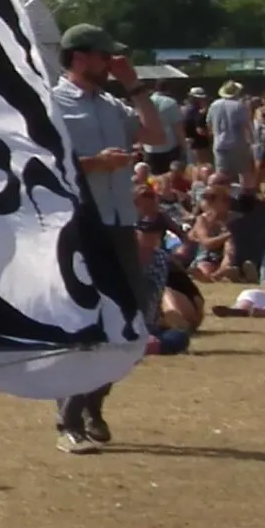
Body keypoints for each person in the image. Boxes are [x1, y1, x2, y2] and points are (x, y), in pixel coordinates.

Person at [49, 25, 166, 453]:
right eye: (103, 57)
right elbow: (42, 161)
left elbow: (156, 134)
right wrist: (92, 164)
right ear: (80, 57)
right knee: (86, 323)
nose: (110, 65)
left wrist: (133, 85)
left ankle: (93, 403)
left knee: (129, 324)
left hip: (119, 223)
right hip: (82, 224)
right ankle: (69, 419)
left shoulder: (110, 104)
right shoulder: (53, 103)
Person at [210, 82, 255, 195]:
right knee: (244, 172)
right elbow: (246, 126)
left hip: (219, 144)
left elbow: (209, 124)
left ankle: (222, 197)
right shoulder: (239, 106)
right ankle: (247, 197)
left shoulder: (214, 105)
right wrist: (251, 141)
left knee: (221, 174)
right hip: (237, 144)